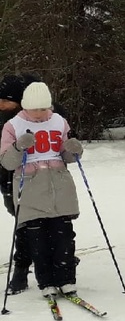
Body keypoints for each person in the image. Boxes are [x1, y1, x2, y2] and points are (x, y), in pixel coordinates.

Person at [0, 82, 84, 297]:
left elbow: (67, 156)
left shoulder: (59, 121)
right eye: (34, 108)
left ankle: (66, 279)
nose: (39, 113)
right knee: (38, 240)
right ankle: (45, 282)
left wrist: (74, 149)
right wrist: (19, 147)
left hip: (60, 186)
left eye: (43, 108)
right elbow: (7, 163)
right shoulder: (13, 125)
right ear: (25, 106)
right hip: (30, 187)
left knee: (64, 236)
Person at [1, 73, 41, 293]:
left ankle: (24, 268)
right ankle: (28, 263)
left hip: (36, 179)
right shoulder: (5, 122)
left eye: (6, 100)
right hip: (8, 181)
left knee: (33, 225)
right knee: (23, 224)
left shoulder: (35, 119)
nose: (1, 104)